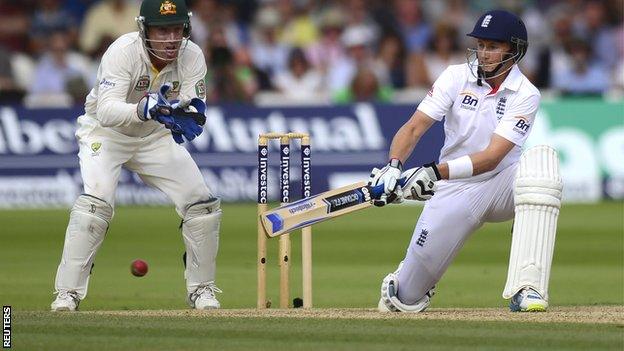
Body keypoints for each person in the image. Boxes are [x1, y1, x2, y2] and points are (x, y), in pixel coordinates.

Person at [369, 10, 563, 313]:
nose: (484, 53)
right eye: (481, 45)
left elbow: (492, 157)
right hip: (453, 189)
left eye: (493, 46)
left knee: (541, 171)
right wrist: (394, 166)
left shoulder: (526, 93)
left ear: (514, 51)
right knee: (402, 300)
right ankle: (408, 277)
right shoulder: (454, 76)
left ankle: (528, 289)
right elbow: (413, 127)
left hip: (501, 183)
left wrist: (433, 172)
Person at [51, 0, 222, 311]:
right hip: (106, 134)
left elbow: (193, 103)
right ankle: (67, 294)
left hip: (153, 136)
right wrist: (142, 109)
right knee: (95, 205)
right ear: (145, 29)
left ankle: (202, 289)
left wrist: (186, 115)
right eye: (162, 30)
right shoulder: (123, 51)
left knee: (202, 204)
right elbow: (105, 109)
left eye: (176, 30)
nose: (171, 39)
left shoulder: (193, 55)